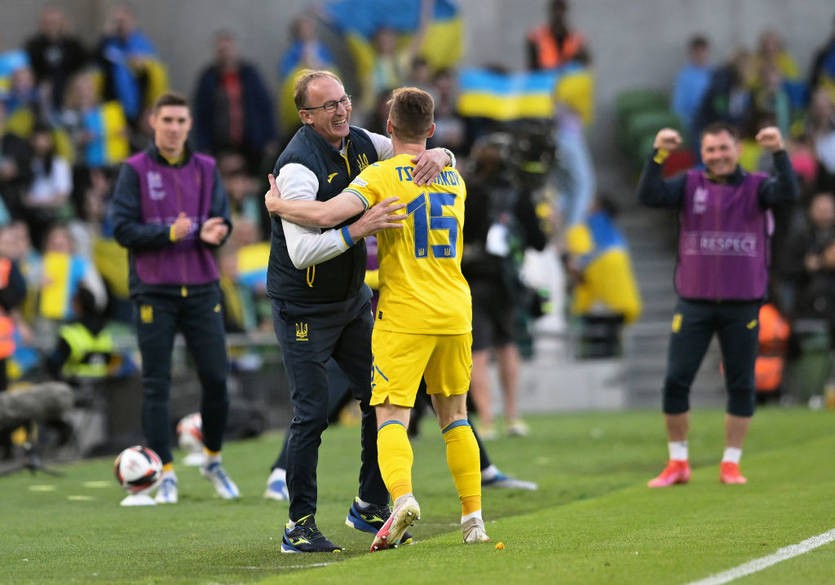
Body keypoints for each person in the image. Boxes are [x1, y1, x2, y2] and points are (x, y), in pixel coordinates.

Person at [265, 86, 490, 549]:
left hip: (403, 312)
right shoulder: (454, 179)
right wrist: (445, 155)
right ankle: (473, 519)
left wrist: (277, 205)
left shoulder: (380, 173)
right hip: (452, 310)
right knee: (455, 417)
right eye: (330, 104)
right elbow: (302, 252)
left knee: (389, 412)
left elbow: (326, 213)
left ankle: (395, 499)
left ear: (389, 127)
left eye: (343, 100)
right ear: (431, 129)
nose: (342, 109)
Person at [636, 122, 799, 487]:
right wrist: (658, 153)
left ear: (737, 150)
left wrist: (779, 151)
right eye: (710, 149)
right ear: (702, 152)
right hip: (694, 301)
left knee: (741, 382)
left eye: (724, 148)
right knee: (676, 380)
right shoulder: (689, 183)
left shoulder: (758, 186)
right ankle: (678, 462)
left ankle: (731, 463)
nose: (718, 156)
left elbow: (789, 192)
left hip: (742, 303)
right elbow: (648, 195)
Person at [110, 92, 239, 504]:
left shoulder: (206, 168)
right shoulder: (134, 170)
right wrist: (167, 233)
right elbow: (121, 229)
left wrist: (218, 231)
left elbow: (221, 219)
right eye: (167, 119)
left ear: (189, 125)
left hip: (202, 287)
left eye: (181, 120)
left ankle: (212, 459)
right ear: (153, 121)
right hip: (154, 291)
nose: (174, 127)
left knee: (216, 379)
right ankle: (164, 471)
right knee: (156, 384)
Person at [192, 30, 277, 174]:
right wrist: (203, 146)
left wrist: (270, 138)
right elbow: (201, 114)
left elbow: (265, 107)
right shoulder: (208, 78)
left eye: (228, 49)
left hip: (251, 146)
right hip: (219, 147)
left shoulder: (250, 75)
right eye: (221, 50)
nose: (226, 54)